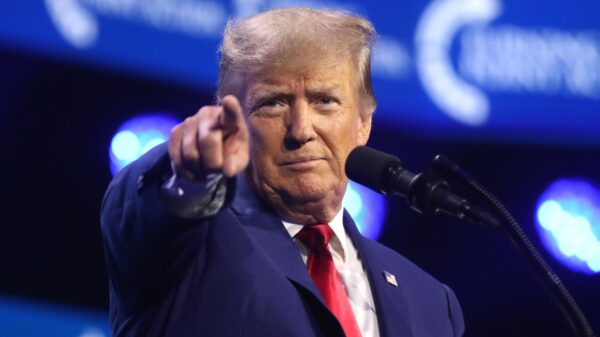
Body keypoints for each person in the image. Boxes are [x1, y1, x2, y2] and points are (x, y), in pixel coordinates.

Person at [101, 7, 465, 337]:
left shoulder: (431, 303)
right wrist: (190, 174)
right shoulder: (188, 246)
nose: (301, 129)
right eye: (272, 103)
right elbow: (145, 210)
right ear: (234, 123)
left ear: (363, 124)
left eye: (325, 101)